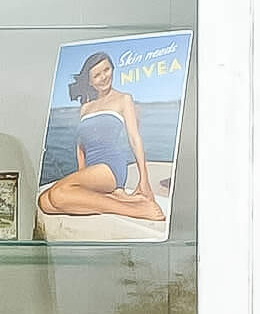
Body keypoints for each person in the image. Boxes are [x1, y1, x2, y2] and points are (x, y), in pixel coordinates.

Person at [36, 50, 166, 222]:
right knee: (44, 201)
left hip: (110, 167)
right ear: (89, 81)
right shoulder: (85, 107)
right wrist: (82, 178)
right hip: (92, 171)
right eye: (97, 75)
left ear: (113, 69)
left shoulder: (124, 99)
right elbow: (80, 146)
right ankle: (115, 198)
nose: (104, 77)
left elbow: (135, 139)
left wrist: (144, 180)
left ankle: (134, 209)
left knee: (58, 193)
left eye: (107, 70)